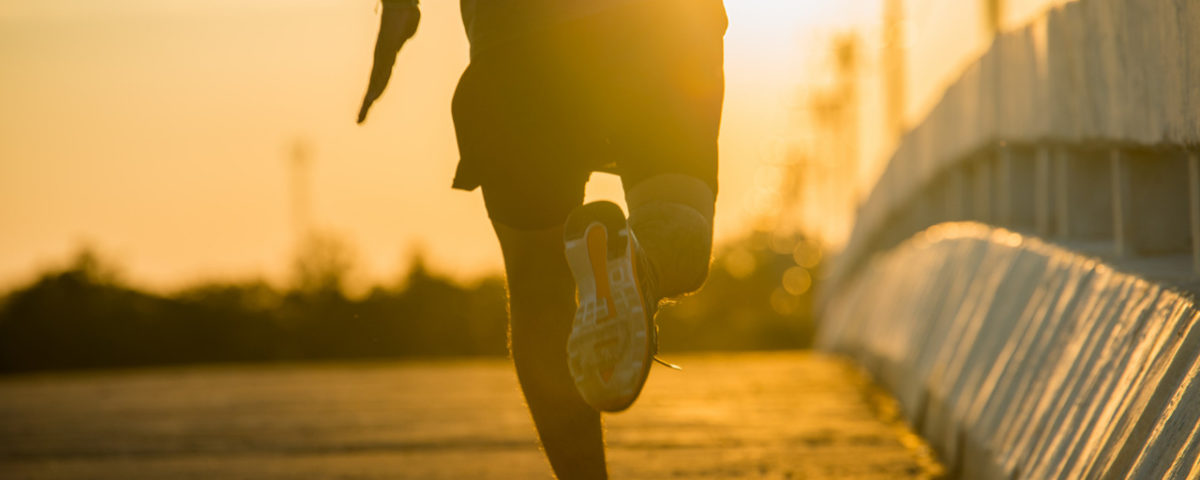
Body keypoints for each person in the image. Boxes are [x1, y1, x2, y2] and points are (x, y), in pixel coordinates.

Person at [358, 0, 726, 477]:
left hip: (516, 36)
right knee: (676, 218)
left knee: (539, 289)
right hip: (659, 27)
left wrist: (398, 9)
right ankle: (640, 266)